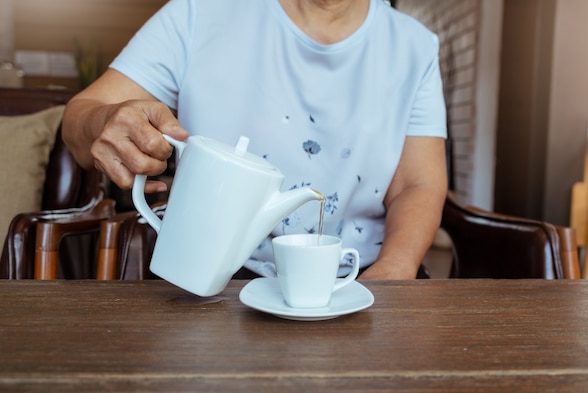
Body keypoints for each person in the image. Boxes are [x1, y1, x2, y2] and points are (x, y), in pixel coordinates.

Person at [62, 0, 448, 280]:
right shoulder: (198, 13)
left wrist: (393, 274)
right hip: (211, 276)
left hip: (361, 273)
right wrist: (103, 121)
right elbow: (83, 114)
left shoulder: (415, 46)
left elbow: (418, 184)